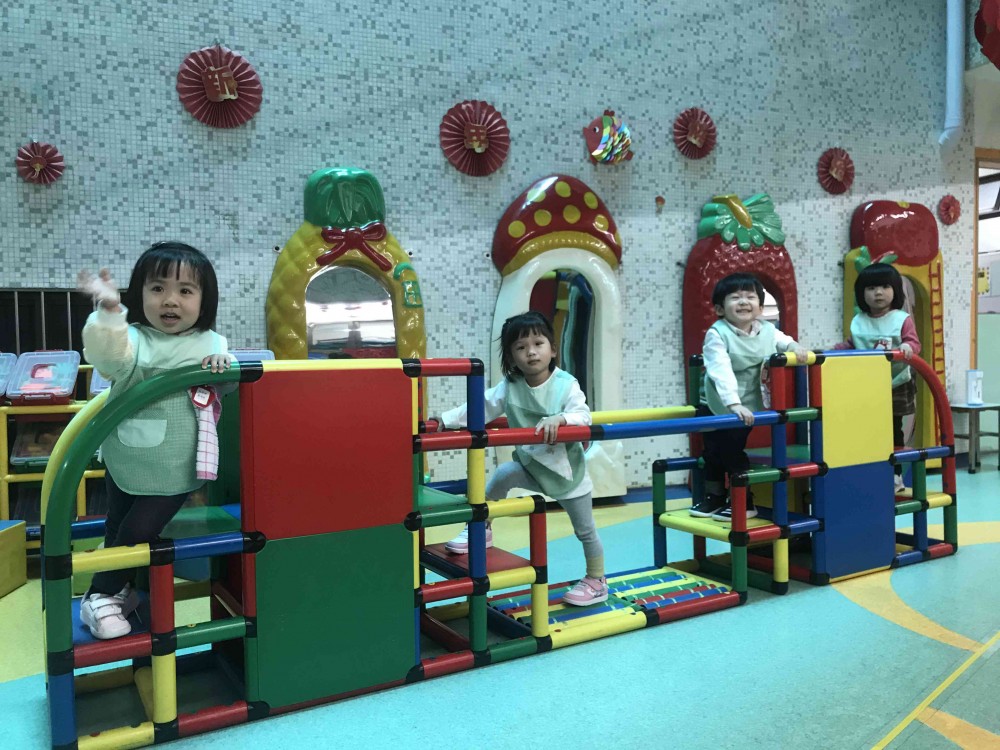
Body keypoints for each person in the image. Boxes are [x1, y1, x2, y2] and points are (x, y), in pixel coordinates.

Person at [77, 242, 231, 639]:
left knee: (139, 530)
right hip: (125, 452)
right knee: (117, 525)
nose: (170, 300)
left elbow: (227, 385)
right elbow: (108, 359)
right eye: (158, 288)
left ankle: (100, 593)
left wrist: (224, 367)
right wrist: (110, 314)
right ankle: (112, 593)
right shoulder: (134, 338)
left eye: (185, 290)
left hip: (175, 461)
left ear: (204, 299)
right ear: (140, 294)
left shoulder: (211, 342)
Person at [435, 312, 607, 606]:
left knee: (585, 530)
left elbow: (583, 415)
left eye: (538, 343)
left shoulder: (566, 384)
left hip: (567, 474)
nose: (531, 352)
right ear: (512, 356)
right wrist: (446, 419)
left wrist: (561, 418)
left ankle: (597, 580)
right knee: (503, 474)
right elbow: (483, 405)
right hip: (531, 466)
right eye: (520, 347)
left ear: (553, 349)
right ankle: (482, 528)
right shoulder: (511, 385)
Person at [690, 273, 809, 521]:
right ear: (720, 309)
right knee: (711, 452)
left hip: (747, 402)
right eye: (735, 297)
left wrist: (795, 347)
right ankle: (715, 497)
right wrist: (733, 403)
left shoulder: (768, 330)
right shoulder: (717, 334)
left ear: (761, 307)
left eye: (750, 297)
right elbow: (720, 369)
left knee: (732, 451)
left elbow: (784, 342)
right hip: (715, 401)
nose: (743, 301)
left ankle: (744, 501)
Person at [834, 262, 920, 493]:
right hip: (868, 383)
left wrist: (907, 346)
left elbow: (913, 342)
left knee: (893, 428)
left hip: (896, 381)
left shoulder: (901, 319)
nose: (878, 293)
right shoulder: (859, 320)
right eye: (871, 288)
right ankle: (871, 471)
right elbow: (852, 344)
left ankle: (896, 475)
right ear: (862, 294)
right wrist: (833, 350)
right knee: (868, 428)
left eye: (884, 287)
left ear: (895, 290)